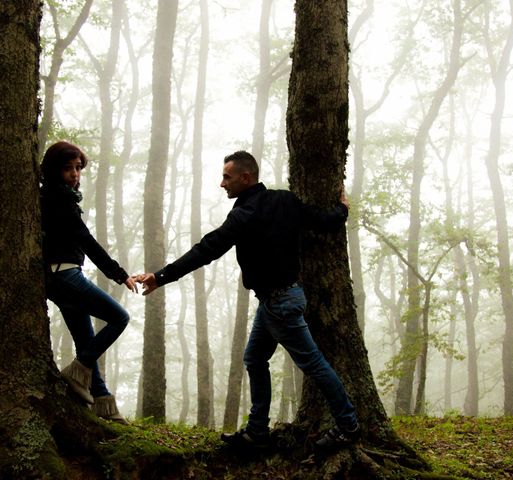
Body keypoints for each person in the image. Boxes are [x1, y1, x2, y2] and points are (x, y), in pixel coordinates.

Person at [136, 150, 360, 449]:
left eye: (227, 177)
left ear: (246, 177)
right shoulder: (285, 200)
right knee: (254, 358)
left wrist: (160, 276)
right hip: (277, 302)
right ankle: (257, 431)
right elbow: (321, 220)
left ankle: (348, 426)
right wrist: (342, 211)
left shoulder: (245, 214)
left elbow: (207, 249)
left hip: (281, 305)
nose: (222, 183)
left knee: (314, 364)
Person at [40, 141, 137, 424]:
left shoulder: (59, 197)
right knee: (119, 317)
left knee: (86, 342)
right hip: (64, 275)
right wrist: (119, 274)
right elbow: (87, 241)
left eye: (78, 168)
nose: (75, 174)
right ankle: (76, 371)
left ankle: (105, 406)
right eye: (68, 168)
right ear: (54, 170)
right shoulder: (58, 199)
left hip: (63, 276)